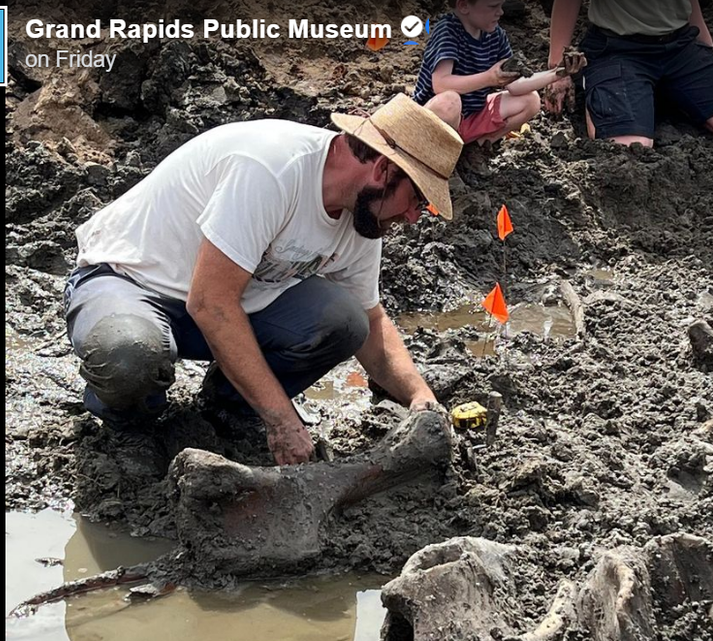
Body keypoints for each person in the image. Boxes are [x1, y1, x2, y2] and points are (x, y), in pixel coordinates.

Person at [62, 94, 463, 466]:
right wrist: (283, 421)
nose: (413, 217)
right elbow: (210, 303)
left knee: (344, 322)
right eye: (416, 199)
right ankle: (130, 425)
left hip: (223, 306)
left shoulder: (362, 214)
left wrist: (420, 397)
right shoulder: (272, 168)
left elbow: (371, 321)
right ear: (383, 169)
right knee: (129, 354)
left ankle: (228, 408)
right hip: (130, 282)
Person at [543, 0, 713, 146]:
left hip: (680, 44)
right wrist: (558, 68)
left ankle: (657, 93)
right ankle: (618, 96)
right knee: (631, 146)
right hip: (617, 48)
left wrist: (708, 48)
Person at [413, 0, 552, 145]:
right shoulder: (448, 31)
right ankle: (431, 149)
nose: (500, 12)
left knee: (531, 99)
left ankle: (480, 143)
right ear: (464, 6)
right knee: (449, 102)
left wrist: (556, 73)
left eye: (501, 5)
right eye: (493, 7)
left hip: (471, 116)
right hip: (434, 120)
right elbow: (441, 84)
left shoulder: (496, 35)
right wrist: (488, 78)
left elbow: (515, 85)